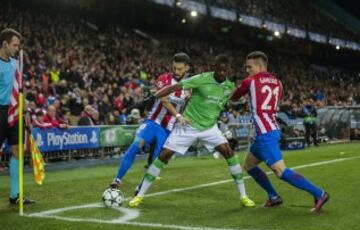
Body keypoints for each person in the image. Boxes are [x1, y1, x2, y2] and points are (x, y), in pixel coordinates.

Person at [129, 54, 255, 207]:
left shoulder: (229, 86)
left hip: (209, 128)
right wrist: (155, 95)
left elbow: (228, 101)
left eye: (225, 70)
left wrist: (240, 104)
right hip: (188, 125)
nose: (222, 72)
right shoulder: (201, 78)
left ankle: (243, 196)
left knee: (228, 152)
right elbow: (175, 87)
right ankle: (140, 195)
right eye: (219, 69)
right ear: (214, 68)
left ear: (229, 70)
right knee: (164, 155)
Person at [231, 51, 329, 213]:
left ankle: (320, 193)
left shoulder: (250, 81)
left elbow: (234, 97)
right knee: (249, 165)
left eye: (249, 67)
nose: (246, 70)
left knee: (281, 172)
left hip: (265, 134)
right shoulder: (278, 83)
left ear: (260, 66)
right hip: (270, 129)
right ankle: (273, 196)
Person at [109, 52, 191, 189]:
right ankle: (117, 180)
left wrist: (185, 118)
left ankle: (141, 187)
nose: (176, 71)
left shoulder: (189, 87)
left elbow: (188, 107)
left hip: (167, 129)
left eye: (180, 69)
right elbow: (164, 101)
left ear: (187, 68)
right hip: (153, 122)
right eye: (175, 68)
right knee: (135, 145)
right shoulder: (163, 79)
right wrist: (178, 116)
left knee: (157, 162)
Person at [0, 28, 35, 204]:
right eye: (15, 45)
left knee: (17, 151)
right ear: (5, 44)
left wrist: (26, 108)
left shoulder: (16, 64)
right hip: (0, 111)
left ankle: (15, 194)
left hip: (15, 110)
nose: (17, 48)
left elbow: (20, 89)